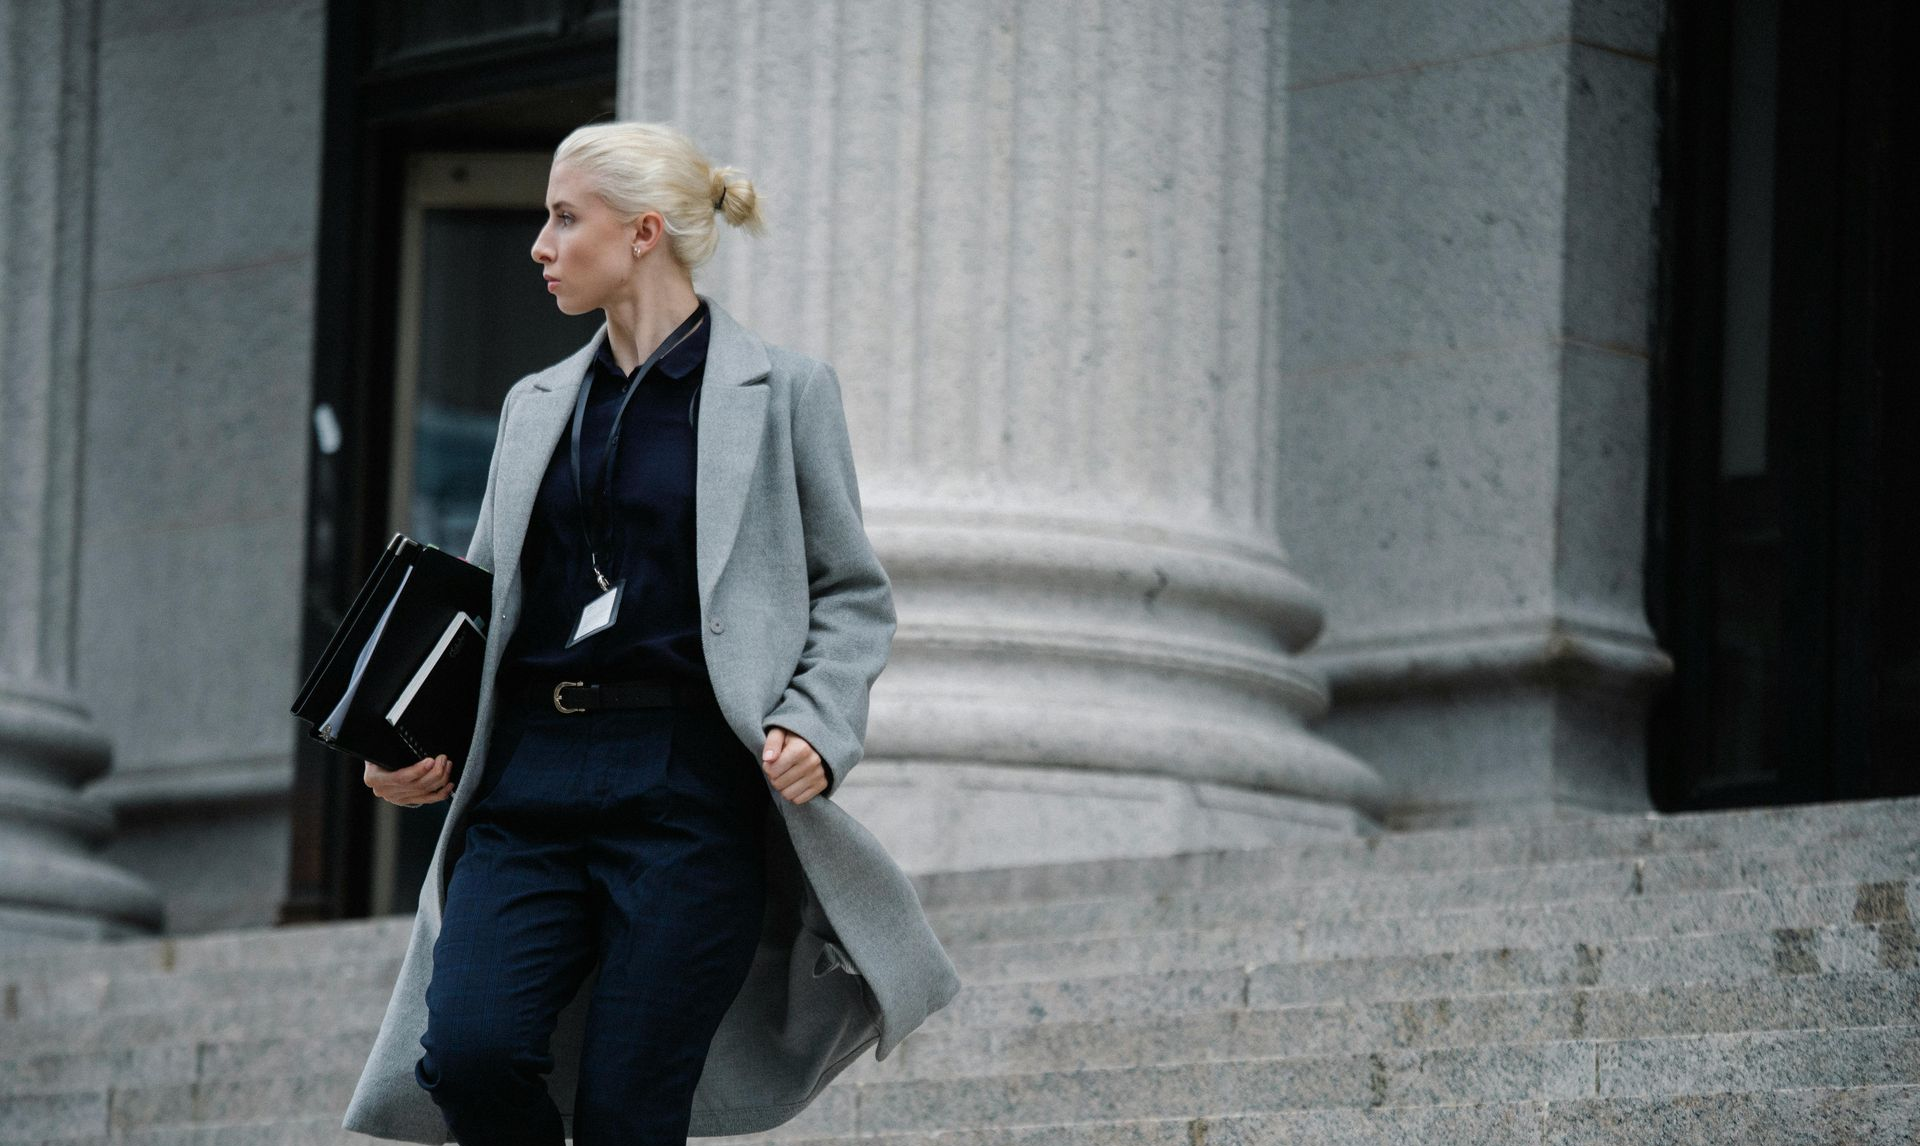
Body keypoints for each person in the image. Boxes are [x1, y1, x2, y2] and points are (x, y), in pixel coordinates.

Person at [344, 121, 958, 1145]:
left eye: (563, 216)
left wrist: (817, 721)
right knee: (470, 1054)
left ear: (643, 233)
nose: (539, 244)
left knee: (633, 1109)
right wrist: (398, 744)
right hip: (527, 783)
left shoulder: (784, 393)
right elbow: (481, 602)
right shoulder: (534, 404)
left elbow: (851, 590)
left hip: (689, 792)